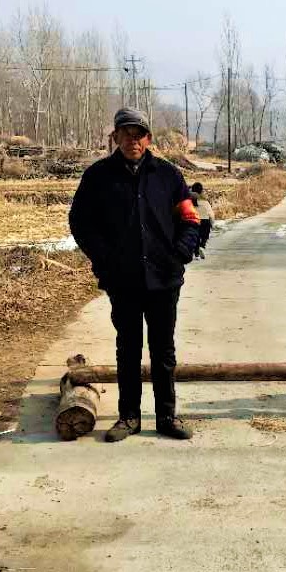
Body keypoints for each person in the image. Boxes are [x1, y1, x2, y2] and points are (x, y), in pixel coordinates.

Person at [68, 107, 201, 442]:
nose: (132, 141)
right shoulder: (99, 176)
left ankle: (166, 416)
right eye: (125, 134)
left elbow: (190, 218)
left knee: (163, 350)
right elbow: (81, 222)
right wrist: (105, 260)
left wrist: (180, 254)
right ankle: (129, 417)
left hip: (164, 279)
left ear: (148, 139)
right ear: (115, 137)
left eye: (138, 134)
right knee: (127, 349)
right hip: (123, 281)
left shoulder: (168, 176)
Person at [190, 182, 214, 258]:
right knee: (204, 236)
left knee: (196, 237)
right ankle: (202, 246)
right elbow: (211, 214)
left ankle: (196, 254)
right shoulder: (205, 201)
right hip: (205, 221)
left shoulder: (189, 201)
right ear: (201, 191)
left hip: (194, 221)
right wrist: (212, 223)